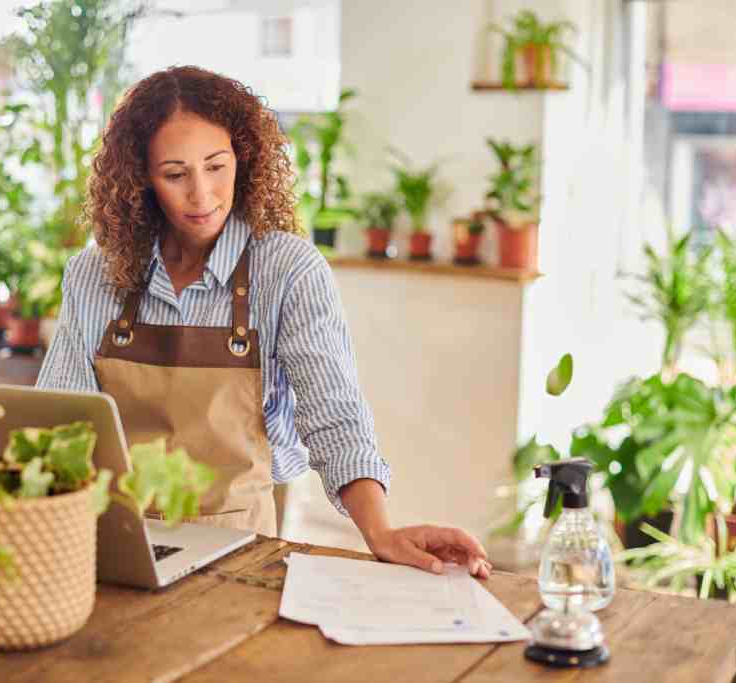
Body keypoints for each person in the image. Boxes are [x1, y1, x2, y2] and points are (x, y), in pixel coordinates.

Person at [37, 65, 491, 579]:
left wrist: (380, 532)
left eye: (216, 166)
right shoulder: (94, 273)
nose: (202, 194)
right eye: (175, 173)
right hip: (110, 540)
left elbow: (335, 418)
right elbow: (60, 419)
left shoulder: (287, 270)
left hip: (238, 549)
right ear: (141, 177)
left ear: (244, 159)